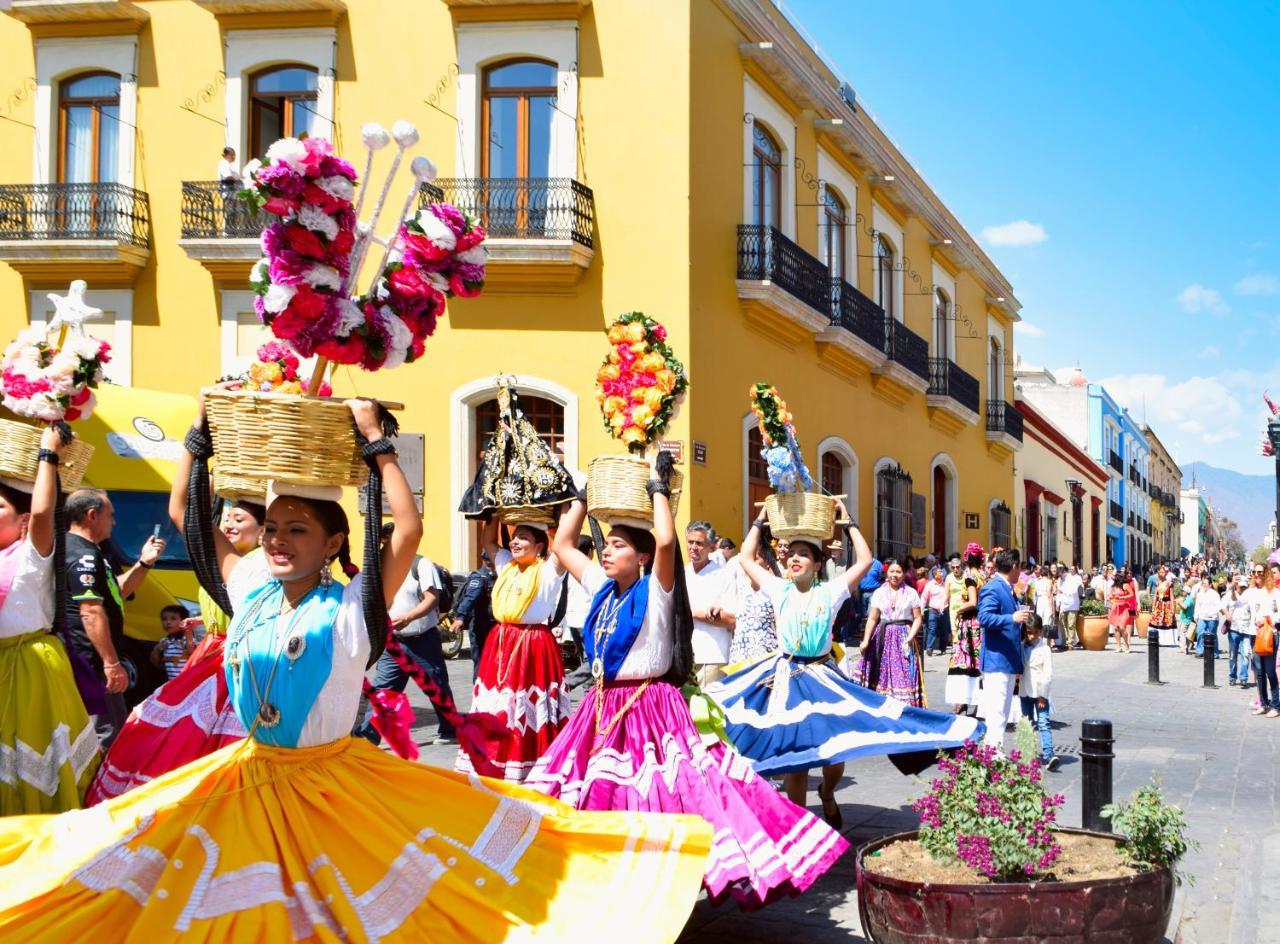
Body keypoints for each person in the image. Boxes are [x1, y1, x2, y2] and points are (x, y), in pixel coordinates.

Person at [0, 399, 712, 941]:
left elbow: (404, 529)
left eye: (296, 530)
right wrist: (200, 433)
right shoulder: (248, 587)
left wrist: (379, 448)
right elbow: (188, 512)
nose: (276, 541)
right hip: (243, 778)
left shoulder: (353, 608)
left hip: (330, 787)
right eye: (271, 529)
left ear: (334, 540)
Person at [526, 463, 847, 909]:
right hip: (601, 709)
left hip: (647, 708)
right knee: (592, 794)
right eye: (608, 544)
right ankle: (604, 879)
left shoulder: (656, 590)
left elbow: (664, 541)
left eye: (617, 546)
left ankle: (652, 882)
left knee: (655, 795)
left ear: (639, 558)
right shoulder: (601, 587)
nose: (606, 552)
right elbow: (562, 544)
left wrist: (658, 489)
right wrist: (581, 495)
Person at [709, 509, 981, 829]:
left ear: (817, 564)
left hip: (822, 677)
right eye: (792, 554)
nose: (794, 559)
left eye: (803, 554)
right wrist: (761, 519)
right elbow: (745, 557)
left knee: (834, 759)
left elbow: (864, 560)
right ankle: (800, 830)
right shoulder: (777, 588)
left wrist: (849, 523)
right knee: (798, 761)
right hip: (787, 678)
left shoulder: (830, 591)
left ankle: (827, 791)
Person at [0, 426, 101, 814]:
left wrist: (47, 454)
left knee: (35, 761)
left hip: (32, 669)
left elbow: (45, 510)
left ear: (23, 521)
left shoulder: (32, 553)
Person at [456, 514, 570, 783]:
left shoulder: (549, 569)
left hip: (533, 644)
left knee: (524, 706)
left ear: (540, 545)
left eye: (524, 538)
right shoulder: (506, 565)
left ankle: (529, 764)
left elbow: (566, 541)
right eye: (515, 536)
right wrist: (493, 512)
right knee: (499, 704)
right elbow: (488, 541)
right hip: (500, 644)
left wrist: (571, 507)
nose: (516, 542)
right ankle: (493, 759)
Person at [64, 488, 166, 748]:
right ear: (91, 515)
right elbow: (90, 611)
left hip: (92, 663)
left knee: (108, 730)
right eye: (111, 515)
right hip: (91, 664)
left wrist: (144, 563)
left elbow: (117, 592)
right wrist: (110, 663)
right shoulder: (82, 554)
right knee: (105, 736)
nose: (115, 521)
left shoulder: (93, 552)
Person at [356, 523, 456, 747]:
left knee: (436, 685)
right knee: (383, 690)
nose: (387, 547)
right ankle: (368, 737)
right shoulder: (381, 567)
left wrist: (409, 617)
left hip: (423, 640)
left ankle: (449, 729)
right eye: (384, 543)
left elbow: (432, 599)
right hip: (393, 643)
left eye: (390, 542)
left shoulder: (422, 564)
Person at [977, 548, 1030, 752]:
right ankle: (992, 753)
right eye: (1020, 568)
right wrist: (1012, 618)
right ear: (1014, 566)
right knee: (997, 711)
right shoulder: (994, 588)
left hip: (1007, 659)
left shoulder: (1007, 587)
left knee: (1003, 710)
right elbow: (984, 618)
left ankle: (995, 750)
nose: (1021, 573)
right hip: (996, 660)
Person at [855, 560, 924, 705]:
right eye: (892, 571)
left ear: (904, 574)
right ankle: (881, 702)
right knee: (882, 670)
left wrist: (910, 638)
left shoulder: (911, 593)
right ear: (887, 572)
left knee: (903, 671)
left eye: (898, 572)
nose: (895, 575)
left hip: (904, 636)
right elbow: (873, 618)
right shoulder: (879, 592)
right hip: (883, 636)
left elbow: (918, 618)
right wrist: (866, 640)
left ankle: (903, 704)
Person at [686, 520, 736, 685]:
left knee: (708, 709)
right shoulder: (681, 573)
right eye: (690, 542)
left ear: (712, 547)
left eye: (699, 543)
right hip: (684, 656)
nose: (693, 547)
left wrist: (693, 613)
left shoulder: (723, 576)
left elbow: (732, 620)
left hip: (712, 657)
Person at [946, 543, 986, 714]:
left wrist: (958, 609)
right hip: (979, 623)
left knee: (964, 661)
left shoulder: (970, 577)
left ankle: (964, 701)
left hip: (970, 624)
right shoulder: (982, 576)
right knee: (976, 662)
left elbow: (972, 602)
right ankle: (977, 701)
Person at [726, 538, 779, 664]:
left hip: (767, 660)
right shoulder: (741, 587)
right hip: (739, 658)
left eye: (755, 558)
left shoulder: (776, 589)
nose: (749, 563)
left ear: (767, 563)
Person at [1019, 613, 1060, 771]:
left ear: (1041, 631)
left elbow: (1047, 674)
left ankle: (1049, 755)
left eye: (1036, 632)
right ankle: (1028, 754)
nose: (1032, 636)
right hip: (1025, 691)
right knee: (1027, 723)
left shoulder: (1045, 649)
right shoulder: (1021, 646)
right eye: (1029, 632)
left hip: (1040, 692)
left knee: (1043, 723)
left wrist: (1043, 695)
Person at [451, 553, 495, 681]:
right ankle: (479, 689)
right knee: (481, 662)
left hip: (496, 626)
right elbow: (470, 598)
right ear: (486, 560)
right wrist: (460, 617)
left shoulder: (500, 575)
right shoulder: (480, 577)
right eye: (490, 559)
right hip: (481, 625)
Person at [1245, 565, 1280, 717]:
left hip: (1271, 634)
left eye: (1261, 572)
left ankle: (1276, 705)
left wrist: (1266, 619)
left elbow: (1277, 615)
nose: (1258, 575)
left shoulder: (1276, 593)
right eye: (1255, 572)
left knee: (1270, 671)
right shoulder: (1257, 593)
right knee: (1259, 672)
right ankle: (1264, 703)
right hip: (1258, 634)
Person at [149, 604, 195, 681]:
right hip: (172, 683)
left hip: (188, 682)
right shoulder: (164, 641)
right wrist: (157, 649)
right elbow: (155, 662)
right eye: (164, 619)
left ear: (183, 621)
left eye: (173, 619)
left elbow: (191, 651)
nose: (168, 622)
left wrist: (188, 631)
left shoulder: (186, 639)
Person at [1225, 574, 1253, 687]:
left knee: (1245, 655)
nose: (1242, 589)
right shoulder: (1230, 595)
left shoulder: (1250, 597)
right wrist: (1226, 613)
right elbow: (1222, 605)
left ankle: (1243, 677)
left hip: (1246, 630)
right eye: (1240, 587)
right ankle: (1232, 677)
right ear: (1237, 586)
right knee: (1232, 655)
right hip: (1234, 629)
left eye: (1244, 587)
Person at [920, 565, 950, 655]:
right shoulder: (929, 585)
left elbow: (949, 596)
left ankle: (943, 648)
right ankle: (929, 648)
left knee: (944, 630)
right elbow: (924, 598)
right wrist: (921, 609)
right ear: (935, 575)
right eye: (940, 572)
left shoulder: (946, 584)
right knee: (932, 629)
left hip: (944, 610)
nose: (942, 573)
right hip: (933, 610)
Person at [1108, 566, 1138, 654]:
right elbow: (1110, 596)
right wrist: (1110, 597)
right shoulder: (1113, 587)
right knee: (1116, 628)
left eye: (1115, 578)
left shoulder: (1125, 585)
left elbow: (1132, 594)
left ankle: (1127, 645)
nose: (1114, 580)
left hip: (1124, 607)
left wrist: (1122, 597)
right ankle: (1118, 646)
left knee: (1122, 627)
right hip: (1115, 607)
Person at [1192, 575, 1222, 658]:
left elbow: (1218, 607)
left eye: (1205, 583)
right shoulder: (1200, 594)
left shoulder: (1215, 594)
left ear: (1210, 584)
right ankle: (1200, 651)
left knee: (1212, 635)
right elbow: (1197, 605)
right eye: (1203, 583)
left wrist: (1211, 613)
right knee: (1200, 633)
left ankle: (1215, 653)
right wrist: (1196, 615)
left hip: (1212, 618)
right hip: (1202, 617)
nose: (1204, 585)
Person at [1056, 563, 1083, 650]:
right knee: (1062, 624)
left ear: (1064, 572)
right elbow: (1058, 593)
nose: (1059, 575)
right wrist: (1057, 604)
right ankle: (1064, 641)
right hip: (1063, 605)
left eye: (1060, 573)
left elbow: (1074, 591)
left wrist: (1062, 590)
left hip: (1072, 604)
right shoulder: (1059, 580)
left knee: (1071, 624)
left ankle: (1070, 643)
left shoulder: (1072, 579)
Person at [1149, 564, 1176, 648]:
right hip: (1159, 604)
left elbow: (1171, 596)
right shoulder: (1157, 583)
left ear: (1166, 573)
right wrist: (1153, 605)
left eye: (1163, 572)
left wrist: (1173, 607)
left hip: (1166, 604)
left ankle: (1167, 640)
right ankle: (1158, 639)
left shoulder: (1169, 583)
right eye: (1160, 572)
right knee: (1157, 622)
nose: (1161, 574)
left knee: (1167, 622)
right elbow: (1156, 595)